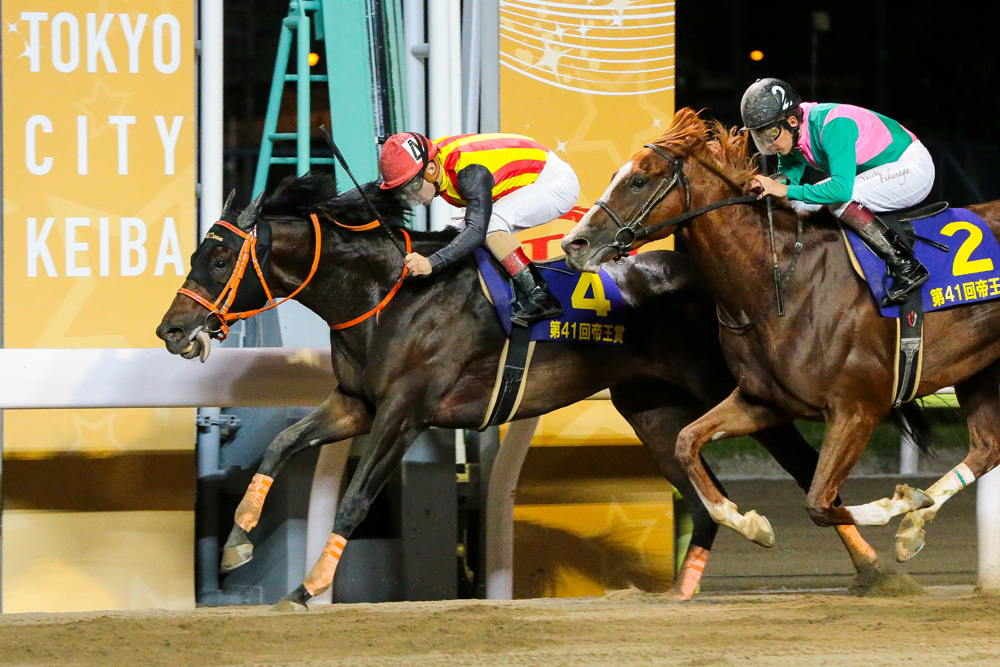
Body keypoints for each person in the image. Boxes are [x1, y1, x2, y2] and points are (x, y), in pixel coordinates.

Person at [741, 77, 934, 305]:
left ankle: (906, 265)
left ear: (792, 121)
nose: (768, 145)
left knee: (837, 202)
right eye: (760, 137)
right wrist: (769, 185)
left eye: (771, 133)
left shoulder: (832, 125)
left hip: (911, 169)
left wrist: (784, 189)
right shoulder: (794, 131)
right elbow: (789, 177)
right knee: (801, 201)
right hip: (883, 170)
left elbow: (841, 190)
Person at [378, 131, 580, 326]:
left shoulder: (469, 173)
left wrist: (432, 263)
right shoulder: (431, 160)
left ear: (431, 169)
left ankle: (540, 296)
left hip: (554, 181)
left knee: (490, 225)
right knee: (457, 232)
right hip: (525, 172)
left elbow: (477, 232)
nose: (411, 196)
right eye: (403, 191)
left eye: (412, 187)